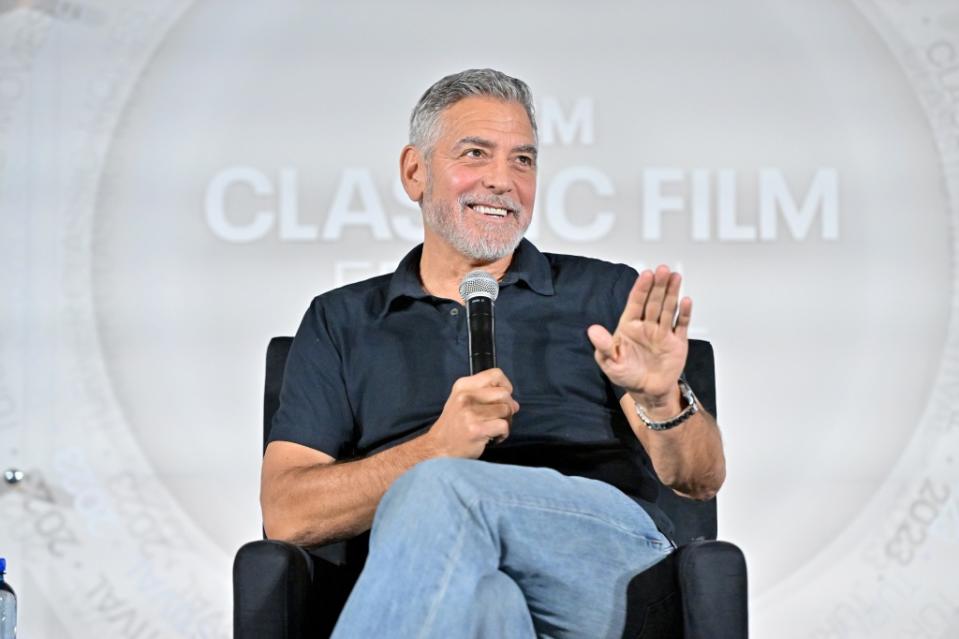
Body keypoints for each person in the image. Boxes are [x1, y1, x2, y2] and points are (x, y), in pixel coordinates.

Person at [260, 68, 726, 638]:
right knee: (488, 605)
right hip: (431, 579)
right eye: (476, 153)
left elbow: (700, 479)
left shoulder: (602, 294)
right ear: (414, 172)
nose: (503, 180)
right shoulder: (342, 320)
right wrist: (434, 448)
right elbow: (286, 513)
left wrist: (661, 397)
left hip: (600, 566)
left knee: (443, 488)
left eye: (523, 160)